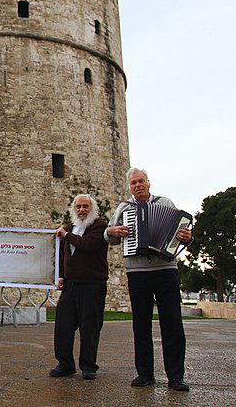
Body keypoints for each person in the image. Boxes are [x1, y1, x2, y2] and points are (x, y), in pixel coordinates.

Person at [105, 168, 193, 391]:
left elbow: (182, 234)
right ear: (130, 186)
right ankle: (145, 374)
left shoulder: (165, 204)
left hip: (166, 270)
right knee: (141, 324)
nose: (137, 185)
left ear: (148, 183)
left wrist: (187, 237)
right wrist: (113, 231)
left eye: (141, 181)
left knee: (172, 324)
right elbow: (109, 235)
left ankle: (176, 377)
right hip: (137, 272)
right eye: (133, 183)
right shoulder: (124, 208)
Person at [50, 194, 109, 381]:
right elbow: (62, 254)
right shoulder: (69, 228)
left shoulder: (100, 227)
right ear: (74, 209)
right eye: (78, 207)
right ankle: (65, 364)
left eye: (85, 206)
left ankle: (88, 366)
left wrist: (66, 235)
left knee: (89, 327)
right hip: (70, 284)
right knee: (63, 325)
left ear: (92, 209)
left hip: (92, 284)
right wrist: (60, 275)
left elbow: (88, 245)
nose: (81, 210)